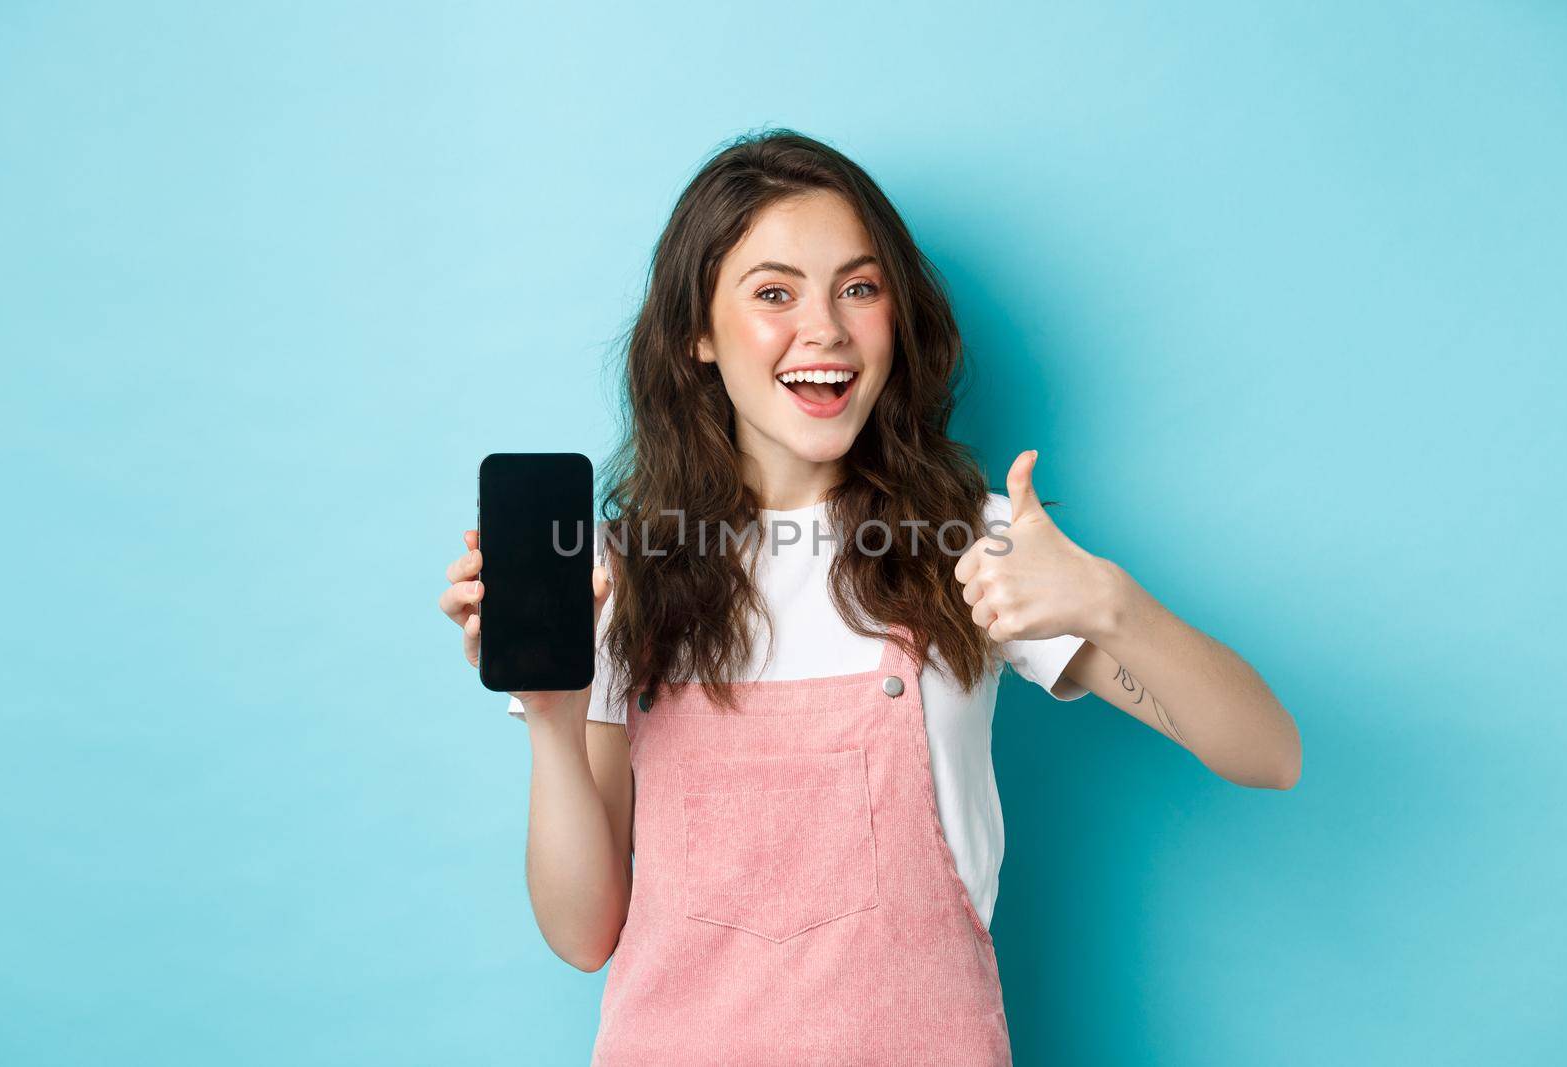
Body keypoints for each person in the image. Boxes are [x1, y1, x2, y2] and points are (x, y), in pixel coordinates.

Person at [438, 129, 1302, 1066]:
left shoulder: (974, 545)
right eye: (774, 293)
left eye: (859, 287)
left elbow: (1269, 752)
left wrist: (1108, 603)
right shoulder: (618, 573)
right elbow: (582, 932)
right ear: (696, 332)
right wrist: (555, 719)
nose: (828, 329)